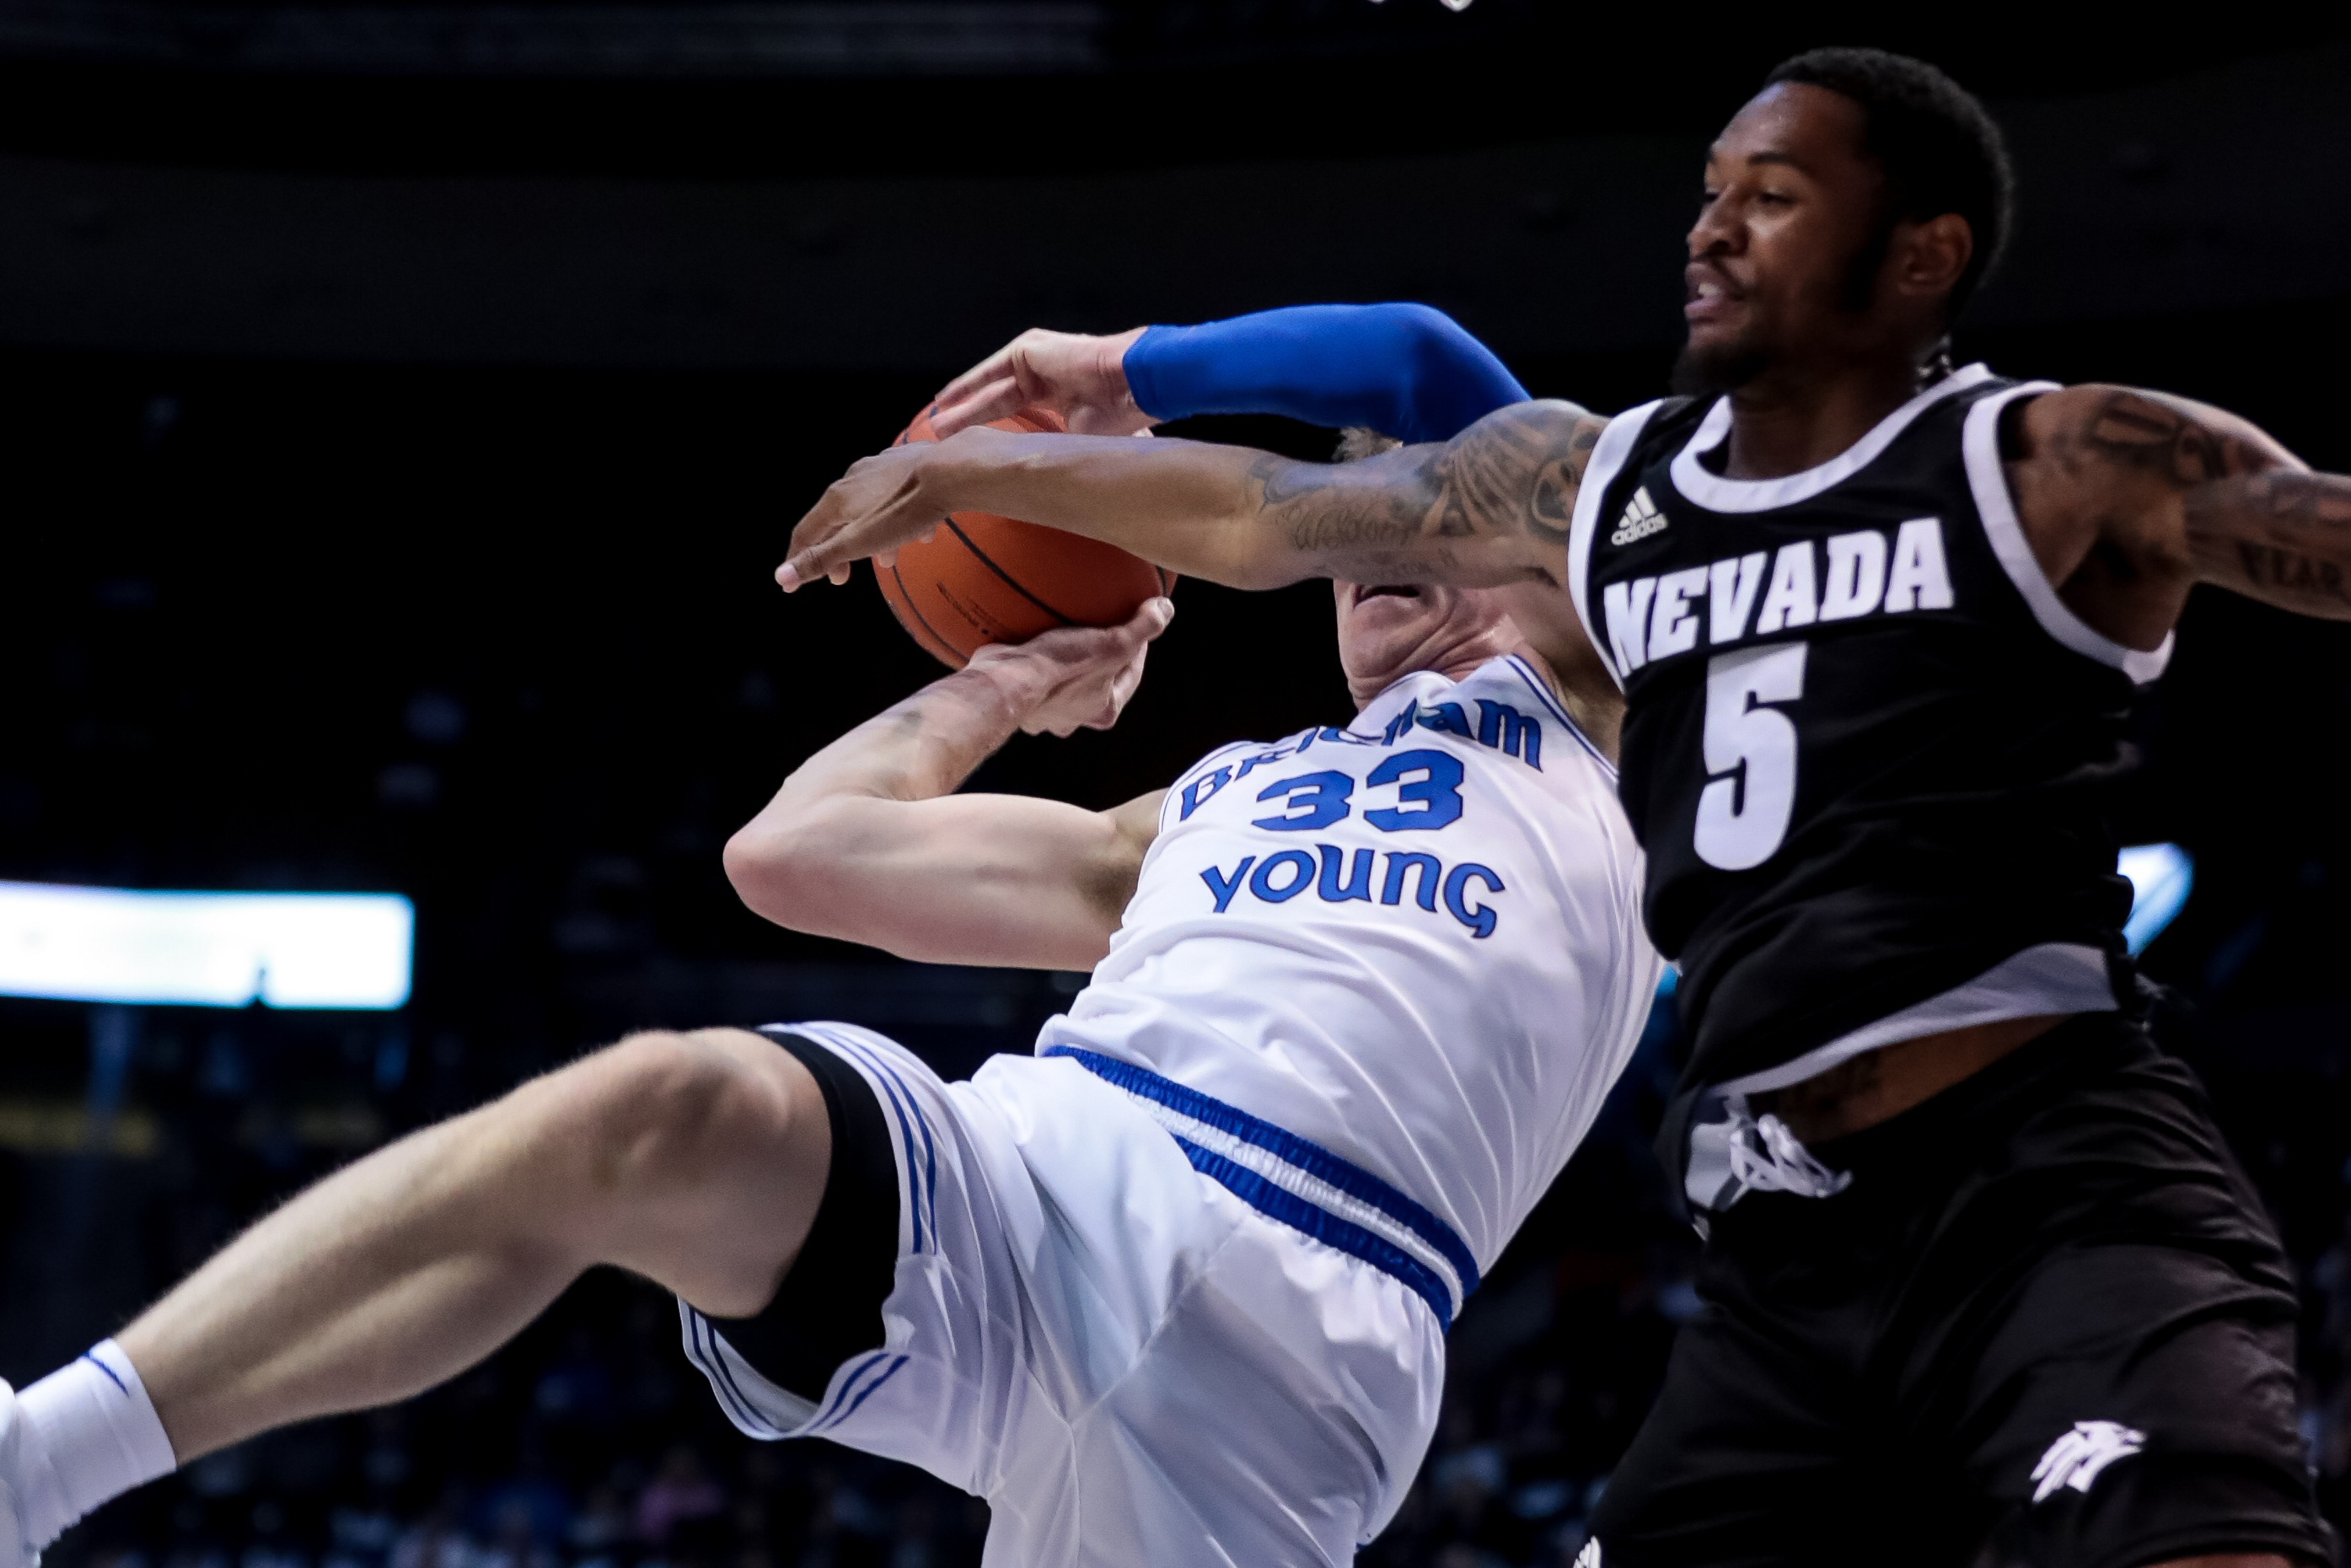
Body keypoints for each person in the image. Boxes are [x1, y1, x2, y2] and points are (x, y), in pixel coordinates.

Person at [772, 46, 2351, 1566]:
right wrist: (1009, 479)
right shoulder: (1615, 510)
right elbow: (1267, 505)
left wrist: (1105, 386)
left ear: (1916, 256)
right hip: (1783, 1229)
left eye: (1770, 195)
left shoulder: (2004, 481)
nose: (1707, 226)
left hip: (2045, 1160)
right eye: (1709, 190)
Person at [0, 309, 1659, 1568]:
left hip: (1308, 1335)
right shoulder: (1197, 806)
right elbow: (792, 855)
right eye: (1346, 484)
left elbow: (1430, 357)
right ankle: (39, 1464)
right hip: (1048, 1175)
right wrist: (1000, 687)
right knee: (663, 1108)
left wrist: (1127, 368)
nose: (1369, 508)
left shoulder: (1616, 700)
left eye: (1398, 483)